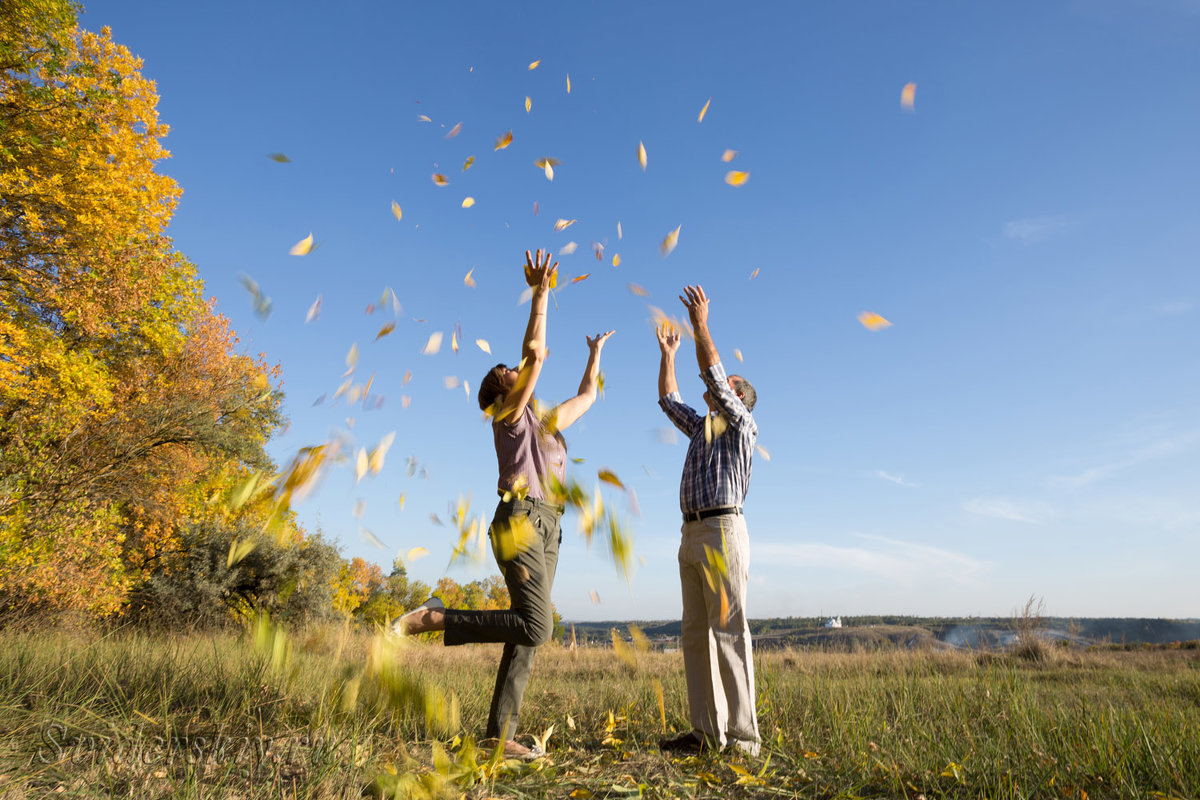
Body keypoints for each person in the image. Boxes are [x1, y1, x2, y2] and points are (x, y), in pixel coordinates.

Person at [396, 248, 613, 760]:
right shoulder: (509, 419)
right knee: (539, 625)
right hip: (518, 520)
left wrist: (595, 353)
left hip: (550, 524)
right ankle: (437, 618)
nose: (516, 370)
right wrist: (540, 296)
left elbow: (588, 397)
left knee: (527, 633)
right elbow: (535, 354)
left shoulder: (545, 422)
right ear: (504, 392)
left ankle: (498, 736)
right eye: (507, 372)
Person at [655, 284, 761, 756]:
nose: (718, 389)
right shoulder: (702, 427)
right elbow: (669, 400)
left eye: (727, 385)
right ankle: (705, 734)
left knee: (728, 633)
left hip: (722, 530)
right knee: (696, 634)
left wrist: (700, 325)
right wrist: (669, 353)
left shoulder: (740, 424)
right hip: (691, 532)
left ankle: (742, 739)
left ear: (737, 397)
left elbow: (714, 378)